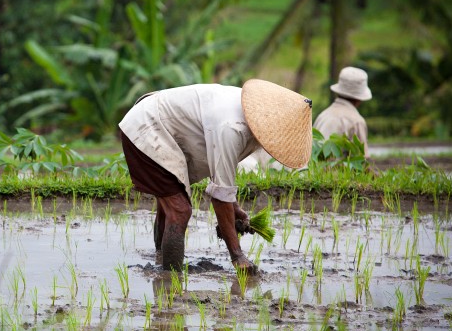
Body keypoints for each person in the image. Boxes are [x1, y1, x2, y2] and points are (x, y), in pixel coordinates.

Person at [119, 79, 313, 274]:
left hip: (157, 122)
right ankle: (169, 279)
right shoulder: (232, 127)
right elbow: (220, 198)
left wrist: (234, 208)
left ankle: (161, 259)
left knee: (170, 201)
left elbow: (222, 173)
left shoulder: (250, 115)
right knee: (179, 210)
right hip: (147, 126)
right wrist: (237, 256)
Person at [313, 66, 372, 158]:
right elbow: (361, 160)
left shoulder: (323, 115)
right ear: (359, 99)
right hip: (335, 172)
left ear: (338, 92)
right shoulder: (356, 121)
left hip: (314, 170)